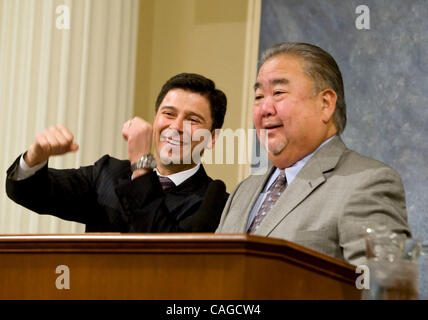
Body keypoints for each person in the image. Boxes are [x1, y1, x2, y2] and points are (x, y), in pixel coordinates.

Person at [216, 42, 411, 266]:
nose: (264, 109)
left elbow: (379, 288)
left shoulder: (368, 183)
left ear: (325, 103)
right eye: (259, 96)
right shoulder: (243, 191)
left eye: (278, 93)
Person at [6, 73, 228, 233]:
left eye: (192, 120)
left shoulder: (216, 200)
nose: (176, 126)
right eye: (168, 114)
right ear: (155, 120)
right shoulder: (107, 173)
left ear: (212, 138)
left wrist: (142, 166)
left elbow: (167, 257)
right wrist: (35, 156)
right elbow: (29, 192)